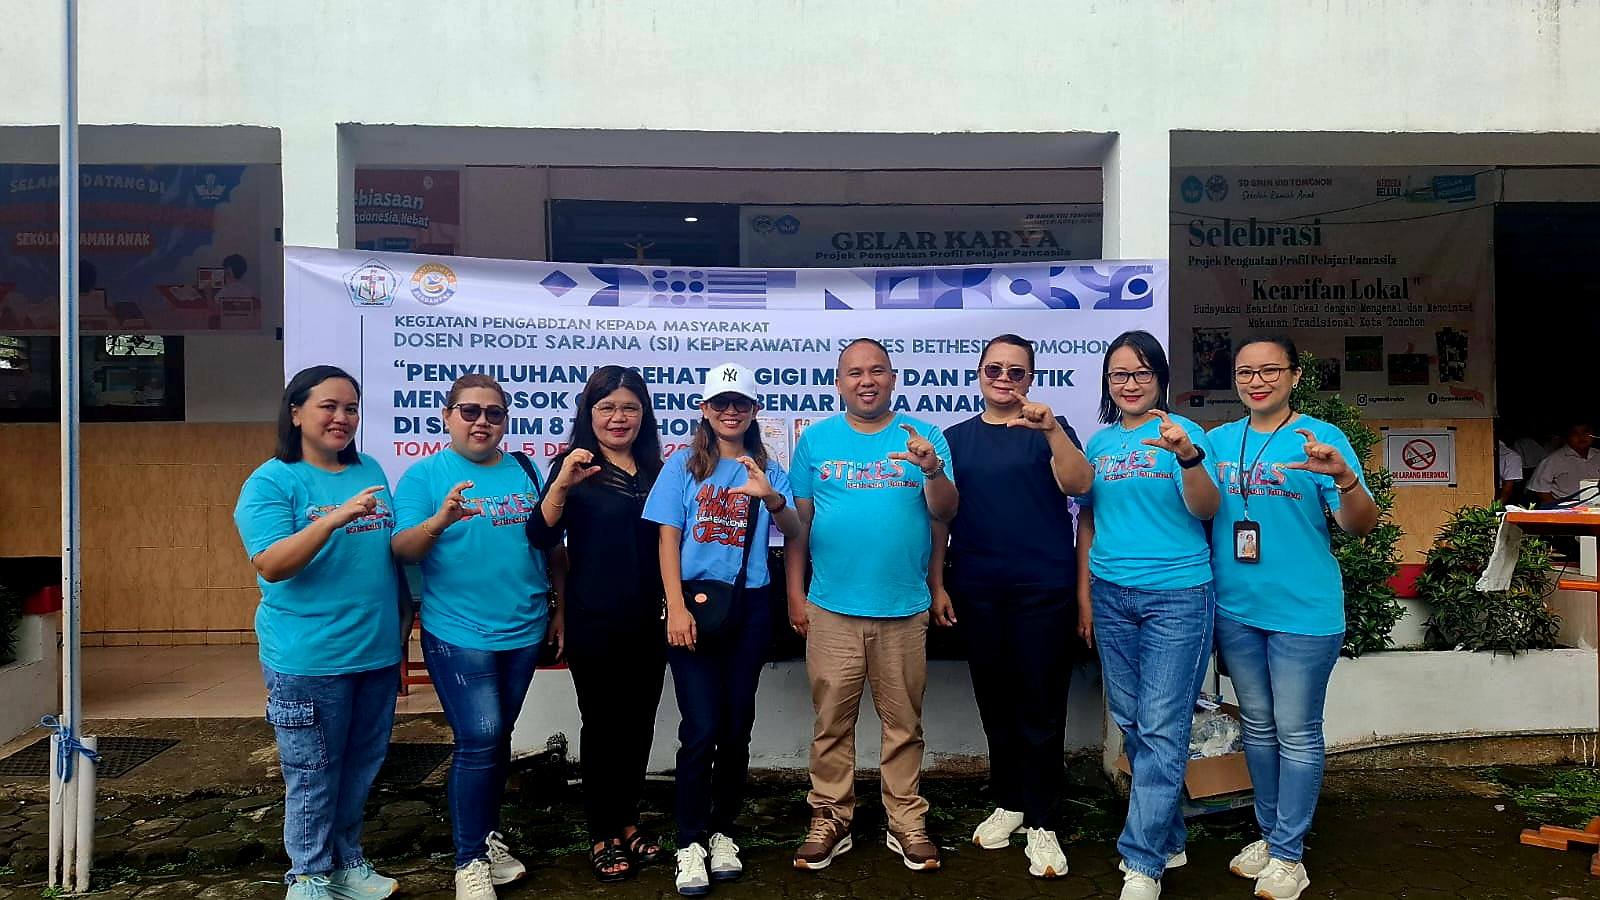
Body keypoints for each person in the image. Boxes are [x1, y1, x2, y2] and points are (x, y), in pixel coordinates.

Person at [1210, 336, 1379, 900]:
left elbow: (1360, 525)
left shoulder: (1321, 439)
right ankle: (1270, 834)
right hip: (1237, 608)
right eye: (1245, 372)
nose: (1257, 381)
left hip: (1304, 611)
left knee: (1298, 730)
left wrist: (1345, 479)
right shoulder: (1219, 440)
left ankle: (1290, 855)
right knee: (1257, 727)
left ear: (1295, 376)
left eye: (1270, 370)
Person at [786, 338, 958, 874]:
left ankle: (905, 821)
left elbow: (945, 515)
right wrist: (795, 594)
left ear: (893, 378)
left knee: (903, 725)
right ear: (839, 383)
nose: (867, 381)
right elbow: (799, 526)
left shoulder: (923, 437)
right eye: (855, 372)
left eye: (877, 370)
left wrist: (932, 470)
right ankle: (830, 819)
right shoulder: (815, 440)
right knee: (830, 725)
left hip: (903, 608)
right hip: (831, 608)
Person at [233, 365, 403, 900]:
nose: (341, 417)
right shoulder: (272, 481)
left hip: (375, 651)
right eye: (328, 406)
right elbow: (272, 563)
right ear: (296, 412)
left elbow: (387, 557)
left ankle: (347, 863)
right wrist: (332, 519)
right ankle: (307, 876)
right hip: (308, 656)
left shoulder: (369, 468)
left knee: (361, 766)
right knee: (312, 771)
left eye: (350, 408)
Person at [930, 334, 1093, 880]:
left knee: (1040, 707)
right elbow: (942, 517)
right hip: (977, 589)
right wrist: (938, 582)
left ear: (1031, 378)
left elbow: (1080, 484)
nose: (1004, 378)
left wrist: (1051, 432)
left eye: (1016, 371)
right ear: (979, 374)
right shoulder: (955, 439)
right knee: (995, 701)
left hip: (1043, 590)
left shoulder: (1051, 428)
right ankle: (1010, 801)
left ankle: (1043, 819)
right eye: (995, 369)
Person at [392, 375, 557, 900]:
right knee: (480, 736)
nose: (482, 421)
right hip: (459, 630)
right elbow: (402, 549)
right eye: (470, 411)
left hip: (524, 626)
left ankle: (486, 838)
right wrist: (439, 520)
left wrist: (559, 610)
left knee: (498, 736)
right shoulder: (424, 476)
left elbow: (547, 544)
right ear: (447, 416)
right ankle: (469, 861)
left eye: (494, 413)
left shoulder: (525, 469)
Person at [643, 363, 803, 896]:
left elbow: (794, 530)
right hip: (693, 604)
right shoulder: (683, 466)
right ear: (705, 410)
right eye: (721, 403)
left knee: (736, 727)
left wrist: (771, 496)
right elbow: (667, 538)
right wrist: (675, 607)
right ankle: (689, 840)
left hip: (750, 605)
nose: (730, 412)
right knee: (701, 727)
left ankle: (723, 831)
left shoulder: (767, 467)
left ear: (754, 411)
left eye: (740, 403)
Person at [1074, 331, 1220, 900]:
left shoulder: (1186, 434)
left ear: (1160, 377)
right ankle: (1167, 835)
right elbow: (1088, 521)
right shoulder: (1100, 443)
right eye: (1119, 374)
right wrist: (1086, 596)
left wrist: (1186, 455)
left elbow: (1206, 508)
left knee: (1161, 725)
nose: (1130, 384)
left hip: (1177, 595)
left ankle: (1141, 861)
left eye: (1140, 373)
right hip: (1112, 594)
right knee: (1134, 722)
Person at [526, 365, 667, 883]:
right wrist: (562, 484)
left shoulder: (657, 470)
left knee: (639, 724)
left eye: (629, 407)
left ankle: (628, 820)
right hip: (593, 619)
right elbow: (541, 536)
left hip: (649, 621)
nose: (618, 417)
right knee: (604, 726)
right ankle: (602, 832)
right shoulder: (574, 465)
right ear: (589, 413)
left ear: (644, 414)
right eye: (606, 407)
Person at [1527, 420, 1600, 506]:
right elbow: (1540, 490)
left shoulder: (1598, 455)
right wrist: (1559, 507)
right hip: (1566, 506)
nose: (1581, 436)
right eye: (1575, 433)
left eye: (1586, 432)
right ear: (1567, 436)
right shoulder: (1553, 459)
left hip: (1596, 505)